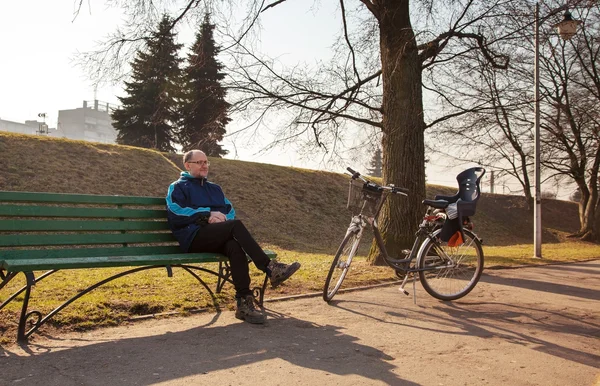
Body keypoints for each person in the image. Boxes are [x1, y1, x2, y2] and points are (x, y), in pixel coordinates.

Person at [166, 150, 301, 324]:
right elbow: (176, 212)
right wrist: (207, 215)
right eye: (199, 162)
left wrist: (220, 219)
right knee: (235, 225)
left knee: (234, 247)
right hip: (193, 237)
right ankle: (269, 267)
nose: (204, 165)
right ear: (187, 165)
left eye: (206, 162)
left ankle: (243, 304)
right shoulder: (177, 187)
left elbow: (230, 211)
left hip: (217, 234)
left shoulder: (215, 189)